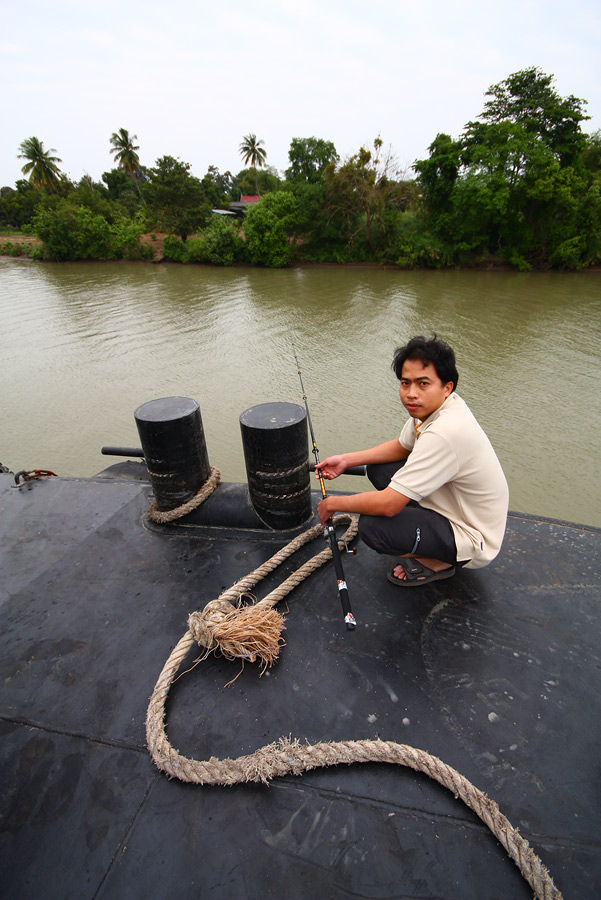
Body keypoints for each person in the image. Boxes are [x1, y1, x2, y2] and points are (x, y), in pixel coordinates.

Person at [316, 335, 509, 586]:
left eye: (423, 383)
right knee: (380, 470)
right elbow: (401, 447)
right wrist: (345, 460)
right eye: (405, 383)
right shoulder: (434, 410)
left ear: (447, 387)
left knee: (374, 528)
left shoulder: (446, 431)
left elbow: (389, 505)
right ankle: (426, 533)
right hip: (454, 507)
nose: (411, 394)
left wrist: (332, 504)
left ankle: (442, 560)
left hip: (474, 536)